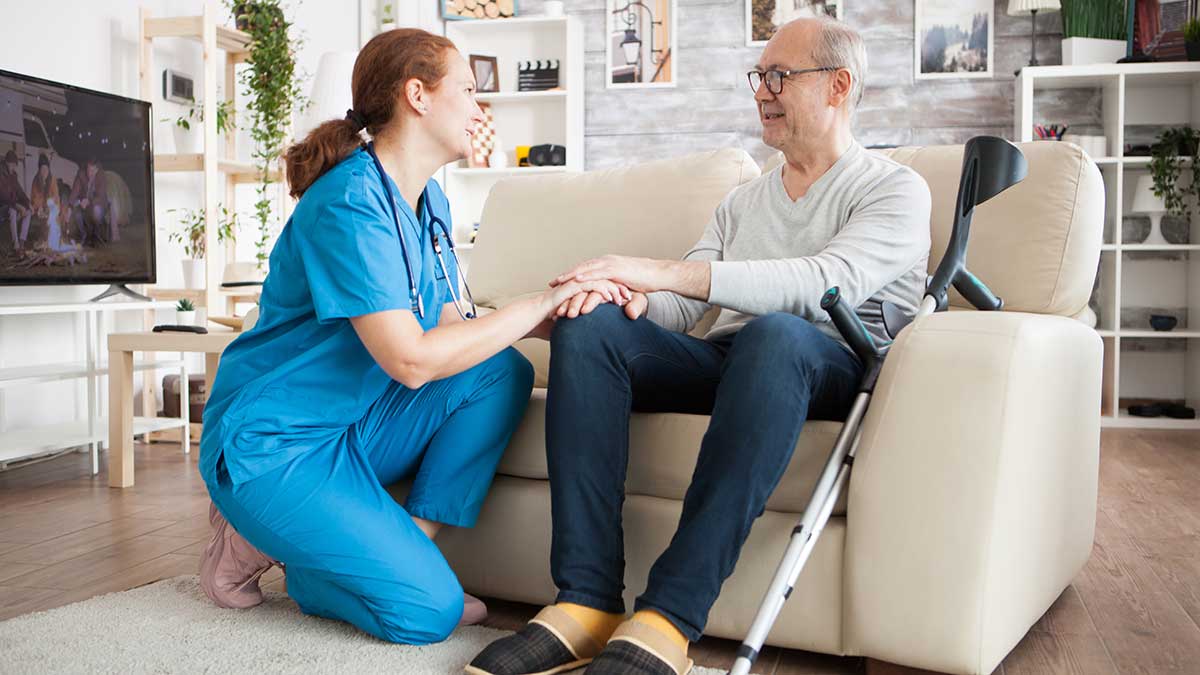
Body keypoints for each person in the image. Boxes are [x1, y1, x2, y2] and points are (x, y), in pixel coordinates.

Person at [469, 17, 932, 675]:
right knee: (593, 328)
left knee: (776, 334)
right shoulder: (744, 203)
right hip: (733, 358)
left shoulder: (894, 189)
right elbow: (684, 307)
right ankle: (586, 602)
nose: (762, 91)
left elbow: (827, 283)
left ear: (839, 86)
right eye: (758, 77)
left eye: (779, 76)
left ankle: (668, 617)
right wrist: (610, 298)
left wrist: (656, 268)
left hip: (827, 361)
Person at [197, 28, 626, 646]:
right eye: (471, 91)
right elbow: (412, 361)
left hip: (350, 425)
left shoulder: (431, 205)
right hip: (271, 444)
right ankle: (288, 555)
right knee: (429, 614)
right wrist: (536, 300)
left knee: (501, 372)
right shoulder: (349, 202)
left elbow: (456, 328)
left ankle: (392, 551)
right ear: (417, 95)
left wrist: (559, 316)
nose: (482, 109)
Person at [68, 156, 109, 246]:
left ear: (97, 170)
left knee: (97, 211)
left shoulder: (101, 176)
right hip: (84, 204)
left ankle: (96, 234)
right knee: (75, 210)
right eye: (88, 169)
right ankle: (84, 234)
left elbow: (101, 196)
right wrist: (70, 206)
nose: (89, 173)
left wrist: (89, 201)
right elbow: (75, 191)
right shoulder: (81, 174)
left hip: (97, 204)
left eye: (92, 170)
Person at [0, 150, 31, 255]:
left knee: (28, 211)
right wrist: (17, 206)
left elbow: (20, 191)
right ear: (7, 163)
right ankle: (16, 245)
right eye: (12, 165)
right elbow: (3, 196)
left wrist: (27, 203)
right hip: (2, 207)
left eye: (15, 165)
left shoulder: (13, 175)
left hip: (11, 205)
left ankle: (22, 242)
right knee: (13, 210)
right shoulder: (1, 174)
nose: (14, 167)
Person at [29, 153, 61, 248]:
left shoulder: (52, 180)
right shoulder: (36, 181)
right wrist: (39, 208)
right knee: (42, 220)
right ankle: (43, 240)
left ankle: (53, 240)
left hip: (50, 207)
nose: (44, 172)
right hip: (39, 210)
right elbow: (34, 198)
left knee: (52, 218)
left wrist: (49, 208)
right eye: (42, 169)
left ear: (49, 169)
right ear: (39, 170)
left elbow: (56, 198)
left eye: (46, 169)